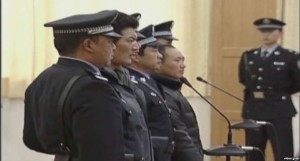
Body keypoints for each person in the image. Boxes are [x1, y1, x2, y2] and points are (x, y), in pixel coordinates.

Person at [23, 10, 126, 161]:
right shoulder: (94, 88)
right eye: (110, 41)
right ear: (89, 45)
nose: (114, 48)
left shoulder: (42, 79)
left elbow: (32, 140)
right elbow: (105, 153)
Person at [238, 17, 300, 161]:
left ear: (280, 33)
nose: (266, 35)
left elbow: (298, 82)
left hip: (279, 110)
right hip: (254, 109)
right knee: (253, 153)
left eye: (270, 31)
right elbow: (243, 79)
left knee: (283, 152)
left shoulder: (290, 57)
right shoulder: (248, 56)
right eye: (262, 31)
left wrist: (277, 93)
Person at [100, 11, 152, 161]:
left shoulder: (126, 80)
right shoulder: (98, 85)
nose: (137, 47)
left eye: (136, 40)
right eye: (130, 40)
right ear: (111, 42)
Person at [126, 25, 175, 161]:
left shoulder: (150, 82)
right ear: (136, 57)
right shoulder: (133, 84)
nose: (160, 56)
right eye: (154, 51)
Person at [152, 45, 204, 161]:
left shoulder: (173, 89)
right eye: (177, 60)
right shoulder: (163, 92)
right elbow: (179, 136)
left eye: (183, 60)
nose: (183, 65)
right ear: (160, 63)